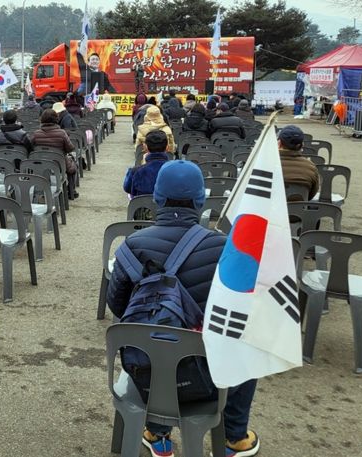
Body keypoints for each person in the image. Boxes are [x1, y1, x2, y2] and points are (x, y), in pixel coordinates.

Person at [107, 160, 260, 457]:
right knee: (249, 348)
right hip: (209, 382)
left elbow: (117, 305)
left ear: (157, 198)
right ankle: (234, 437)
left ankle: (155, 430)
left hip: (145, 376)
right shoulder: (225, 248)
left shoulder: (131, 245)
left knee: (152, 342)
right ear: (200, 200)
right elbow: (241, 314)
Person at [30, 109, 78, 199]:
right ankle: (71, 191)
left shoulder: (36, 134)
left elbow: (30, 148)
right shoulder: (62, 133)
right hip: (59, 165)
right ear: (56, 119)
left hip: (41, 164)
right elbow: (70, 148)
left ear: (42, 119)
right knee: (73, 167)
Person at [123, 130, 170, 198]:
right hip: (166, 207)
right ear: (167, 147)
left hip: (143, 207)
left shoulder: (135, 172)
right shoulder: (176, 172)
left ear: (145, 147)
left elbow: (127, 188)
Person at [278, 125, 319, 201]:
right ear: (302, 145)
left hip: (271, 211)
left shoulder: (265, 165)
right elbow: (310, 195)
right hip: (299, 211)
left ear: (279, 143)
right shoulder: (311, 167)